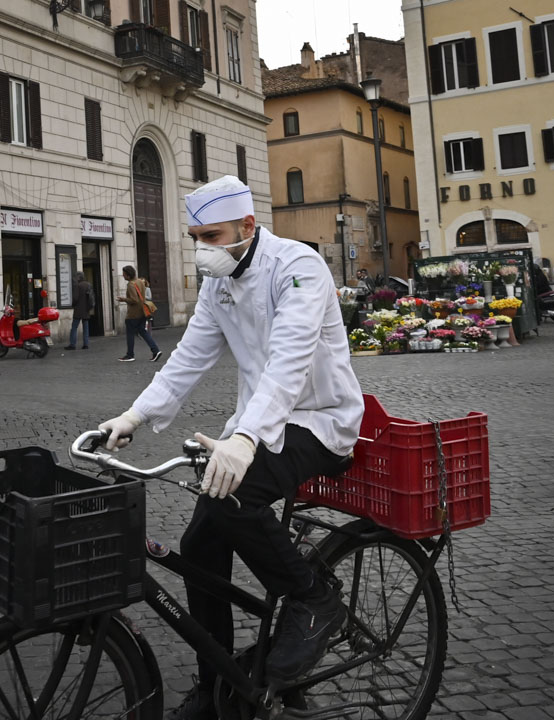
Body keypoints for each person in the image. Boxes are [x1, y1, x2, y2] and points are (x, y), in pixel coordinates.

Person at [98, 176, 363, 719]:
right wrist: (134, 414)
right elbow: (187, 358)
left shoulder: (298, 268)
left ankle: (314, 599)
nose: (202, 249)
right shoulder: (218, 285)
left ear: (248, 226)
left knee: (231, 499)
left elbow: (289, 363)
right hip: (257, 424)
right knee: (199, 547)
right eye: (195, 237)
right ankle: (217, 680)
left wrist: (245, 438)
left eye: (211, 236)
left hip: (320, 421)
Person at [116, 265, 162, 362]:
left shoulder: (131, 284)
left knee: (130, 334)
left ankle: (130, 355)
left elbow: (134, 300)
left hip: (133, 314)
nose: (123, 276)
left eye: (124, 274)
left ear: (128, 275)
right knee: (143, 331)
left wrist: (123, 299)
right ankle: (155, 350)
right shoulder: (140, 282)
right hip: (142, 312)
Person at [65, 272, 92, 350]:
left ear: (79, 278)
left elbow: (76, 298)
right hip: (86, 309)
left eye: (76, 277)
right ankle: (86, 344)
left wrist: (73, 304)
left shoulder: (78, 285)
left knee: (74, 327)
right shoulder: (88, 285)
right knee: (86, 328)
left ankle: (72, 344)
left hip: (79, 309)